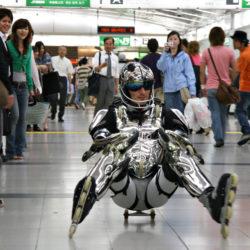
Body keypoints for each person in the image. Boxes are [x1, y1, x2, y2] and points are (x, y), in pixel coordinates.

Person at [69, 62, 238, 240]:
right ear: (125, 89)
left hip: (157, 187)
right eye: (135, 86)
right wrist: (111, 139)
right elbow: (99, 132)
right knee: (114, 153)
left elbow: (182, 133)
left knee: (176, 151)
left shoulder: (165, 113)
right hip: (125, 188)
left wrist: (171, 139)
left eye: (147, 86)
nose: (143, 91)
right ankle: (88, 196)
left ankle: (212, 201)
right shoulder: (112, 113)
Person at [200, 27, 237, 147]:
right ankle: (222, 137)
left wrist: (203, 85)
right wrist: (231, 82)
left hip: (211, 87)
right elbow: (235, 70)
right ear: (223, 37)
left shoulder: (206, 52)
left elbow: (201, 72)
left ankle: (218, 138)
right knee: (223, 114)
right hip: (225, 88)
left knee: (214, 113)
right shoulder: (229, 52)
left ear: (210, 38)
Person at [6, 18, 34, 160]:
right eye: (21, 28)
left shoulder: (29, 47)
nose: (23, 31)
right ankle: (10, 150)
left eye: (26, 28)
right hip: (11, 85)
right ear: (15, 29)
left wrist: (31, 87)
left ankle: (19, 150)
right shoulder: (8, 44)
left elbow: (28, 68)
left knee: (22, 119)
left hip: (23, 87)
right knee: (14, 117)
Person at [157, 31, 196, 114]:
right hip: (168, 91)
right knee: (170, 116)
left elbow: (190, 74)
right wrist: (164, 52)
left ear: (179, 41)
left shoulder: (184, 56)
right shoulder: (165, 56)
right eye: (170, 39)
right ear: (167, 42)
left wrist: (193, 91)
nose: (173, 41)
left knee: (181, 115)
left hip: (181, 90)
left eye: (175, 39)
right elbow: (160, 66)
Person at [0, 7, 14, 208]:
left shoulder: (3, 40)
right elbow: (2, 68)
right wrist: (9, 90)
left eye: (8, 21)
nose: (6, 24)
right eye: (3, 21)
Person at [230, 30, 250, 146]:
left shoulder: (244, 55)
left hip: (245, 87)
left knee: (239, 110)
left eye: (235, 41)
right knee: (248, 111)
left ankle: (247, 131)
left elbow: (238, 73)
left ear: (240, 42)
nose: (233, 43)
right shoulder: (248, 51)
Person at [93, 37, 119, 115]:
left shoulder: (115, 57)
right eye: (106, 44)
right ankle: (96, 122)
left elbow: (116, 72)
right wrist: (102, 66)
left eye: (110, 44)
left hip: (111, 81)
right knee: (100, 103)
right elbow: (95, 69)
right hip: (101, 80)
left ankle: (107, 121)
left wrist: (116, 86)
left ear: (113, 45)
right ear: (104, 45)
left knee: (110, 103)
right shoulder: (99, 54)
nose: (108, 46)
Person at [51, 46, 74, 122]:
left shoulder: (68, 61)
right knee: (53, 98)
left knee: (63, 99)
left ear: (66, 52)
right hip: (54, 78)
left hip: (63, 79)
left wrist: (70, 85)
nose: (62, 51)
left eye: (64, 50)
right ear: (58, 51)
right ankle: (53, 112)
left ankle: (61, 115)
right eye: (61, 50)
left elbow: (69, 74)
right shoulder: (53, 59)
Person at [141, 38, 164, 103]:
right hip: (160, 86)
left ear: (148, 47)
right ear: (157, 46)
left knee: (149, 105)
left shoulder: (144, 59)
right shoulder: (162, 58)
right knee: (159, 106)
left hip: (148, 87)